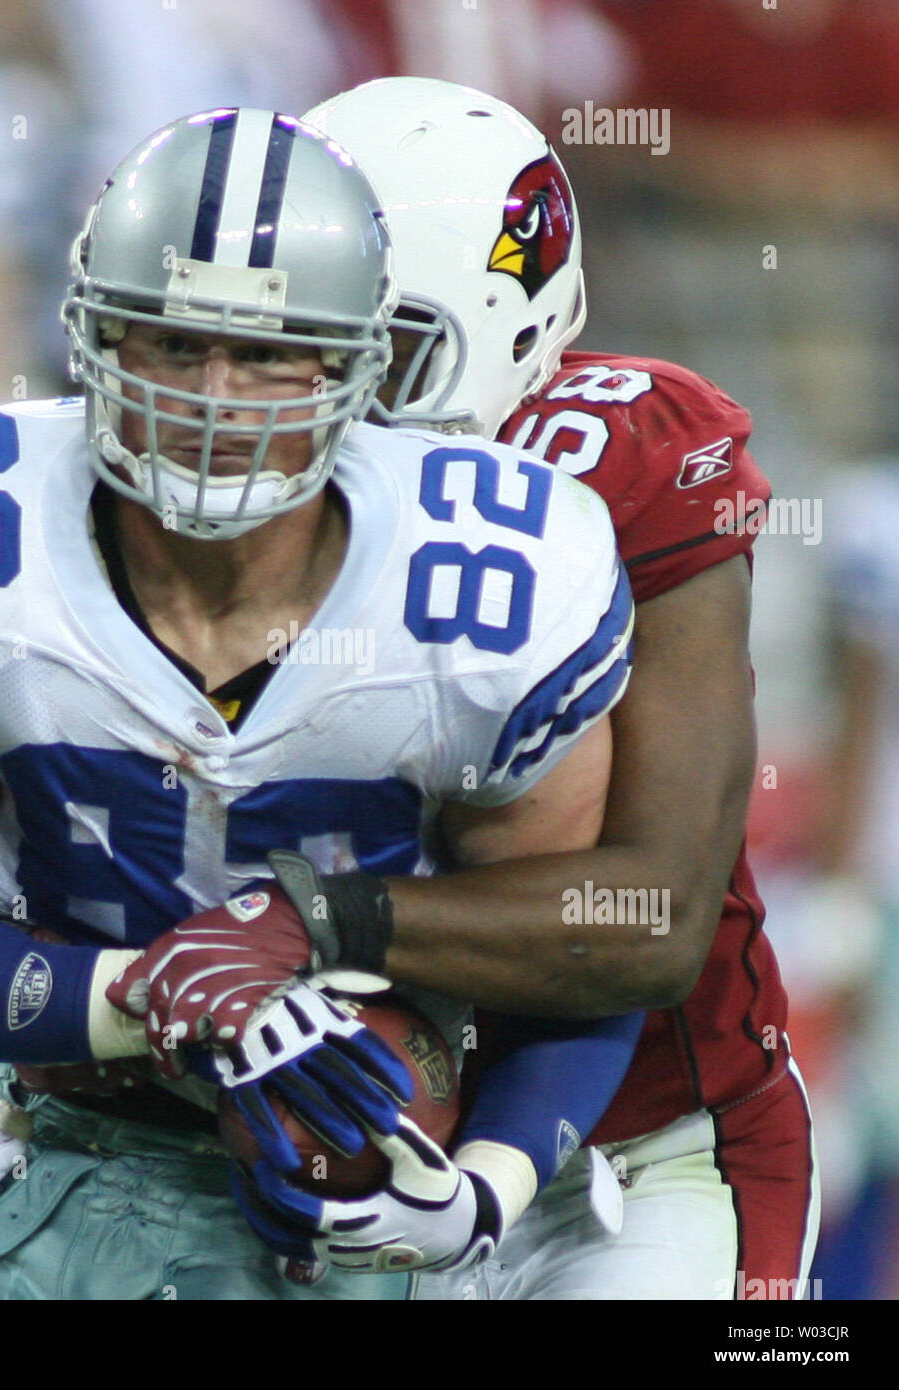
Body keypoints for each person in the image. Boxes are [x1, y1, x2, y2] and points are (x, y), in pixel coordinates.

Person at [0, 107, 633, 1300]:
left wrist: (482, 1183)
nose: (214, 397)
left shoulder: (484, 586)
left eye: (272, 351)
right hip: (38, 1140)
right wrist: (140, 999)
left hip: (356, 1188)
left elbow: (586, 945)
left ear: (356, 365)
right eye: (169, 343)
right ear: (90, 336)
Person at [243, 76, 818, 1300]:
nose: (308, 386)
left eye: (367, 344)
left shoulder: (630, 460)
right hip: (346, 1129)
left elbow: (651, 917)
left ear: (497, 321)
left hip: (645, 1154)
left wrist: (319, 918)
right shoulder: (230, 471)